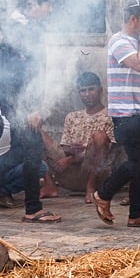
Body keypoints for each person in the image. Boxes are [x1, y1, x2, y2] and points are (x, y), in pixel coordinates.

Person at [94, 0, 140, 230]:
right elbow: (138, 65)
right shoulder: (119, 41)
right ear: (133, 19)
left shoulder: (139, 43)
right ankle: (103, 194)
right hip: (127, 114)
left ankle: (137, 214)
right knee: (136, 162)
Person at [0, 0, 61, 223]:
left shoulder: (18, 25)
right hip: (21, 104)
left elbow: (0, 64)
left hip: (15, 100)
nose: (50, 10)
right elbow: (25, 74)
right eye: (47, 4)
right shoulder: (23, 28)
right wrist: (32, 107)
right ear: (34, 3)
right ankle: (33, 208)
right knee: (32, 153)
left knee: (19, 152)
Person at [48, 72, 115, 204]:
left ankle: (91, 186)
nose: (87, 94)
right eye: (83, 91)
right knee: (36, 130)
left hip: (97, 174)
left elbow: (107, 151)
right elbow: (64, 147)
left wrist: (71, 158)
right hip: (69, 174)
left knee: (99, 136)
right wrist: (70, 151)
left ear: (100, 90)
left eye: (91, 89)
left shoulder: (111, 115)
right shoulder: (72, 117)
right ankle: (49, 184)